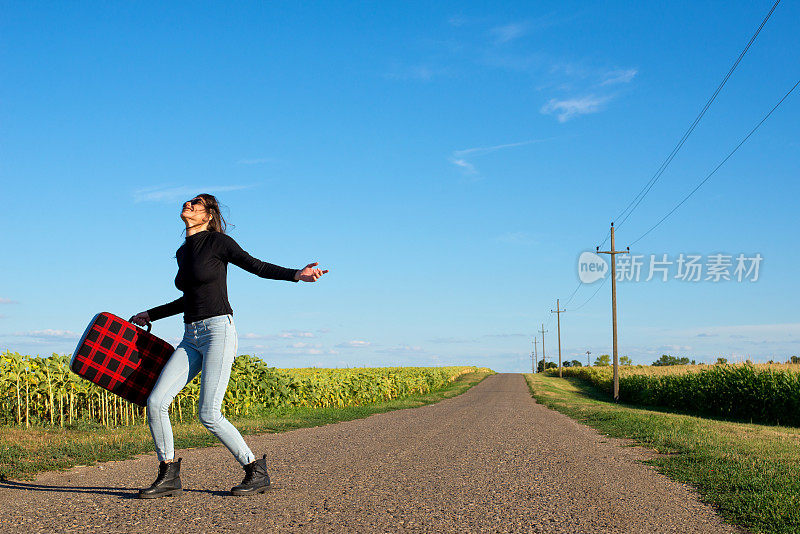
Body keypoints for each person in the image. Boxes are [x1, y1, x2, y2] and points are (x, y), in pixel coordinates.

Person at [129, 193, 327, 499]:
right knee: (156, 402)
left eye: (196, 203)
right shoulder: (183, 252)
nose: (189, 205)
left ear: (208, 215)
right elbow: (189, 298)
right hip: (190, 336)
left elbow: (255, 265)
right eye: (187, 202)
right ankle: (168, 475)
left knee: (208, 413)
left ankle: (255, 470)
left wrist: (296, 275)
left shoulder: (219, 243)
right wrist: (150, 314)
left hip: (218, 331)